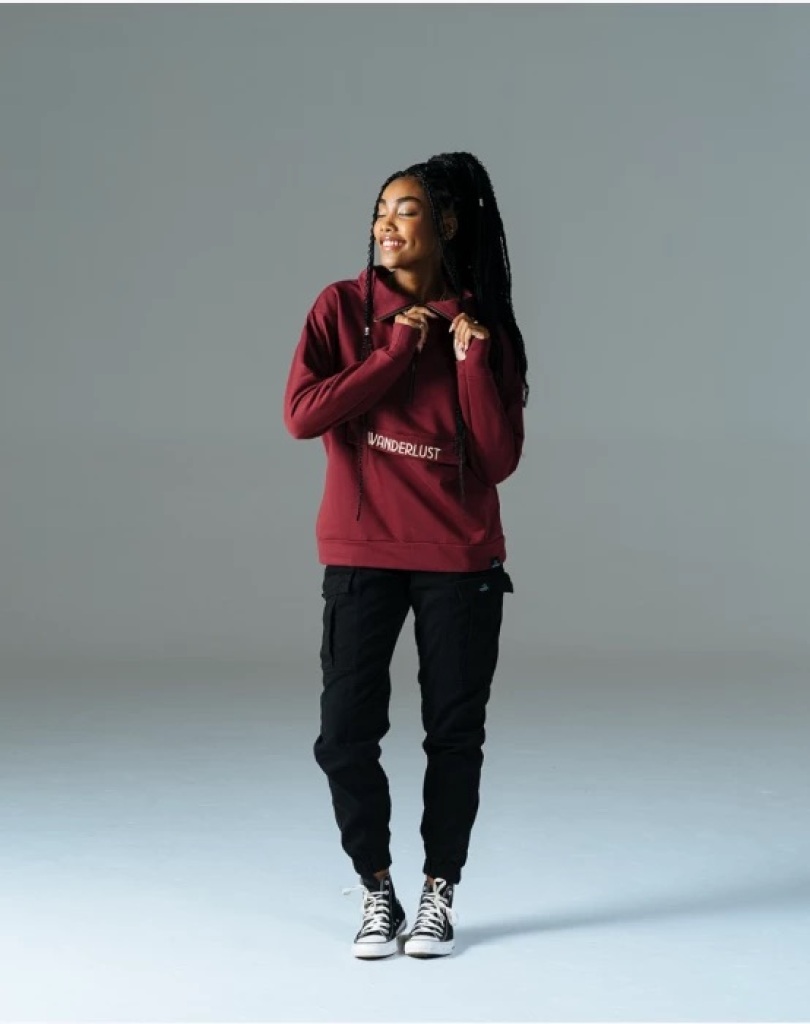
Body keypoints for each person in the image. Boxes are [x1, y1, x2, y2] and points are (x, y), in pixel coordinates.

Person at [283, 151, 529, 959]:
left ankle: (437, 893)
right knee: (343, 736)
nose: (386, 223)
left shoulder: (482, 325)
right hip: (361, 550)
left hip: (460, 556)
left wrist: (470, 363)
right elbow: (302, 415)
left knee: (454, 736)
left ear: (447, 223)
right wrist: (390, 356)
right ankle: (377, 888)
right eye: (381, 209)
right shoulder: (341, 307)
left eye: (407, 209)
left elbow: (497, 460)